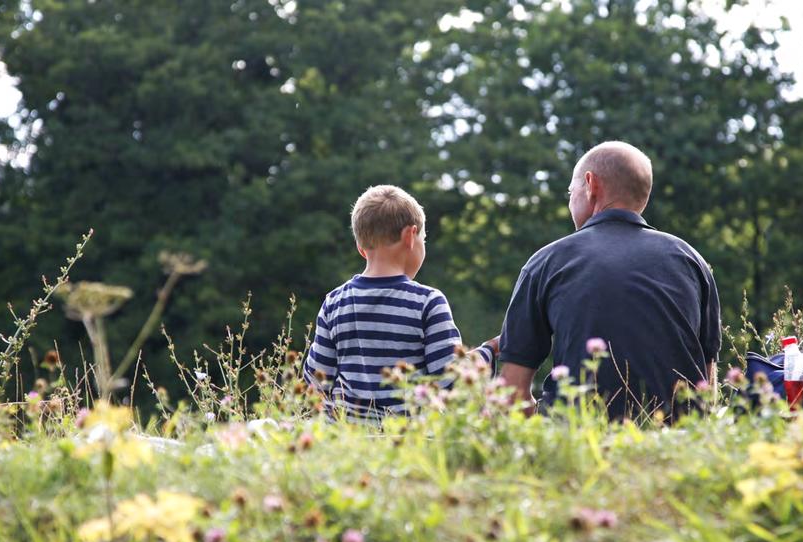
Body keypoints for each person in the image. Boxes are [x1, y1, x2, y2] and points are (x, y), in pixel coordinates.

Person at [497, 141, 721, 420]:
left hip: (579, 446)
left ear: (591, 185)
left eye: (571, 191)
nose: (570, 200)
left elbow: (511, 393)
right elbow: (706, 383)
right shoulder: (691, 262)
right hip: (677, 445)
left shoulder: (547, 263)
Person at [303, 185, 499, 423]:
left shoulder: (334, 302)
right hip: (407, 443)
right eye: (423, 238)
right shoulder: (428, 302)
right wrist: (489, 350)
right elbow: (451, 381)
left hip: (346, 442)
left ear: (361, 248)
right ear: (410, 236)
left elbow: (316, 381)